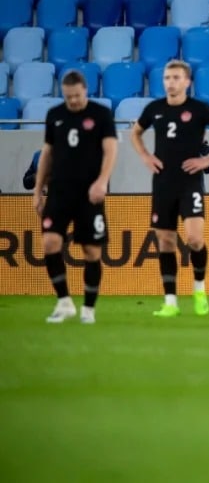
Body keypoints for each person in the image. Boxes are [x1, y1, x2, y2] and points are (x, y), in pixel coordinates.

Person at [130, 60, 209, 317]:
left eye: (176, 77)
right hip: (163, 183)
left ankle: (199, 290)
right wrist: (145, 155)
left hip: (190, 182)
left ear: (187, 82)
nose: (171, 82)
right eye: (167, 77)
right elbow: (134, 133)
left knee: (194, 239)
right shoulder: (154, 108)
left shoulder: (199, 109)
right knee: (165, 241)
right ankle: (170, 302)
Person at [33, 70, 117, 324]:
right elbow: (47, 153)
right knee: (49, 243)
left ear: (86, 90)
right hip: (59, 192)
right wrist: (38, 190)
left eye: (77, 96)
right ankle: (64, 302)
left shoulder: (101, 115)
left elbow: (111, 150)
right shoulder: (55, 115)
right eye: (69, 97)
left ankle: (88, 309)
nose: (73, 102)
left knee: (91, 251)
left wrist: (102, 182)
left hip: (89, 194)